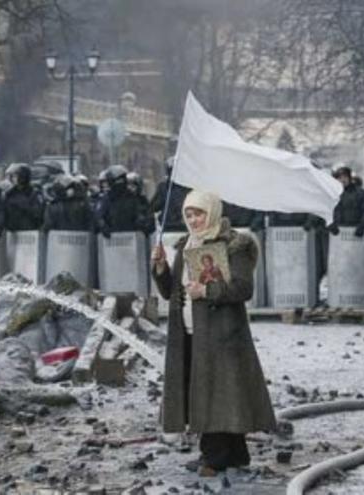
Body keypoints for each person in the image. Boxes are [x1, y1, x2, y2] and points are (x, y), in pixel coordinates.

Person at [150, 190, 276, 477]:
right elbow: (172, 291)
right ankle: (235, 454)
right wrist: (160, 267)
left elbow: (244, 288)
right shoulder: (185, 245)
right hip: (190, 333)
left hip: (223, 334)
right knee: (216, 392)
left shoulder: (234, 245)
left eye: (199, 214)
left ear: (213, 212)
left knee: (216, 392)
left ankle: (214, 456)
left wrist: (207, 291)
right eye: (189, 215)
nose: (193, 220)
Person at [98, 164, 154, 237]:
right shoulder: (107, 198)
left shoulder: (133, 197)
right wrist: (104, 227)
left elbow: (143, 216)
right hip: (113, 242)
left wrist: (143, 225)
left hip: (133, 240)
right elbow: (99, 216)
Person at [329, 164, 364, 237]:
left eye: (345, 177)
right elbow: (326, 211)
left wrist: (362, 226)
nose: (343, 180)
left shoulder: (360, 193)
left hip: (356, 232)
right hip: (338, 233)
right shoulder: (332, 194)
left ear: (349, 178)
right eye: (340, 178)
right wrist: (330, 224)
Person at [151, 157, 190, 232]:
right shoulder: (164, 187)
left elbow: (154, 207)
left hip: (181, 226)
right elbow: (154, 206)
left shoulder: (187, 186)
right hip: (172, 226)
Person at [3, 163, 44, 232]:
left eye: (16, 176)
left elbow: (38, 214)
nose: (13, 178)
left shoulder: (34, 193)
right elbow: (3, 213)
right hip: (11, 233)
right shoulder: (9, 194)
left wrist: (21, 205)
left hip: (29, 232)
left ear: (23, 177)